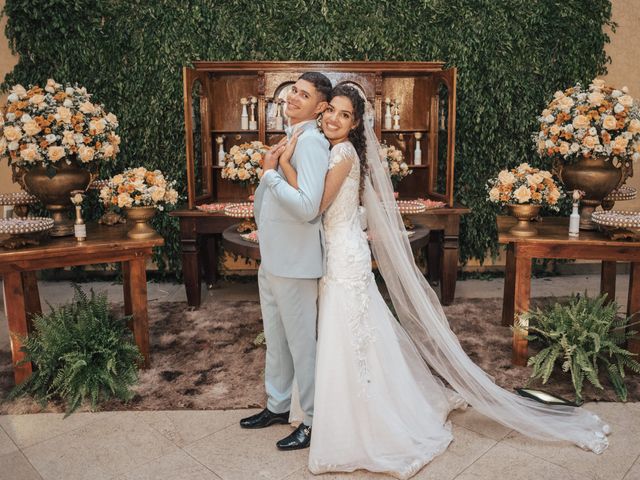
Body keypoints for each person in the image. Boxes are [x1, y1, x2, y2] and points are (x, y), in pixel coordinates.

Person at [272, 84, 611, 479]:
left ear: (355, 125)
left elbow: (315, 204)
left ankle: (364, 418)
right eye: (331, 110)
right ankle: (352, 404)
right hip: (340, 250)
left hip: (345, 255)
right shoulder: (335, 149)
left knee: (350, 332)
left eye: (345, 115)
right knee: (358, 332)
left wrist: (280, 165)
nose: (333, 118)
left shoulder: (344, 153)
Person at [239, 72, 331, 451]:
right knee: (276, 340)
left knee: (301, 346)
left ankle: (310, 419)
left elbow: (309, 207)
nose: (293, 97)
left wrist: (268, 173)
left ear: (321, 106)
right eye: (293, 90)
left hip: (296, 261)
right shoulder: (291, 138)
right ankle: (278, 405)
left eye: (303, 94)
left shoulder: (311, 143)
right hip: (274, 256)